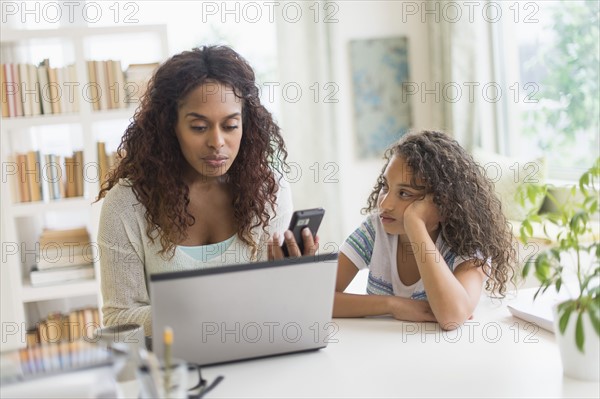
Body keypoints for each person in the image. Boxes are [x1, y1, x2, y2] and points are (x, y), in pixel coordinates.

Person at [96, 46, 317, 335]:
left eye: (230, 125)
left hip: (257, 356)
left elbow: (276, 307)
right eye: (199, 127)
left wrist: (299, 280)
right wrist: (207, 312)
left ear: (246, 125)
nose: (217, 141)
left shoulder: (268, 190)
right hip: (173, 370)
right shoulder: (126, 204)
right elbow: (119, 318)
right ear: (169, 126)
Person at [333, 130, 516, 330]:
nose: (385, 204)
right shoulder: (375, 230)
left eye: (404, 193)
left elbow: (452, 317)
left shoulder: (469, 247)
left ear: (442, 203)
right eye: (385, 187)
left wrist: (415, 224)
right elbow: (318, 300)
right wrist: (392, 305)